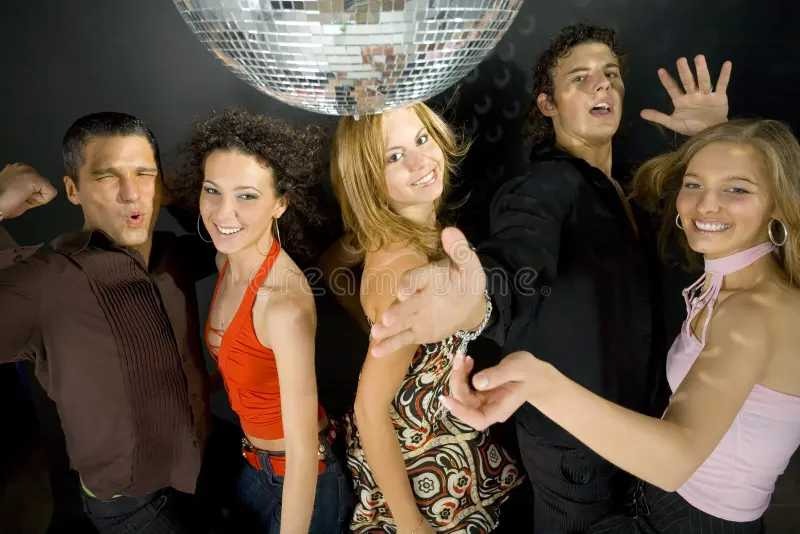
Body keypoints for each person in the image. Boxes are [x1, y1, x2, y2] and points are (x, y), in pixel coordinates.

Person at [367, 24, 732, 532]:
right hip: (573, 454)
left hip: (642, 431)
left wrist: (711, 145)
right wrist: (477, 297)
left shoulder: (635, 190)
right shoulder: (541, 186)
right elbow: (517, 259)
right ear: (547, 104)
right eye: (579, 78)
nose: (601, 85)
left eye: (610, 74)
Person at [442, 118, 800, 532]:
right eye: (694, 184)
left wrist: (538, 382)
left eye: (737, 189)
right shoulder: (726, 284)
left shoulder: (751, 314)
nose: (706, 206)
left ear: (779, 202)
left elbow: (674, 461)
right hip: (654, 503)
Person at [0, 112, 215, 533]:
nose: (130, 193)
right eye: (105, 177)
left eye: (143, 173)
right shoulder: (47, 279)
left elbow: (247, 231)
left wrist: (172, 193)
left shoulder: (175, 255)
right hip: (133, 509)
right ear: (72, 190)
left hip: (202, 475)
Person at [330, 101, 523, 534]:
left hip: (447, 432)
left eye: (421, 139)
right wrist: (410, 525)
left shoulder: (394, 234)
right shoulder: (403, 269)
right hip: (418, 469)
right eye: (394, 156)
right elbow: (368, 407)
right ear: (368, 179)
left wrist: (371, 326)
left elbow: (330, 268)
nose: (420, 161)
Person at [176, 109, 351, 533]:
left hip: (302, 481)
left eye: (247, 196)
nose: (223, 213)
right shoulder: (226, 258)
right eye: (212, 191)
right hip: (253, 467)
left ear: (280, 203)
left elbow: (304, 453)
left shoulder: (281, 307)